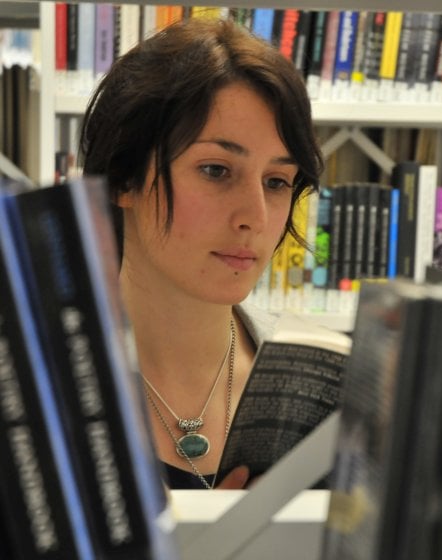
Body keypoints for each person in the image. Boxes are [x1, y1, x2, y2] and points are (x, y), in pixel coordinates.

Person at [79, 17, 324, 489]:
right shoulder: (29, 393)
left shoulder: (322, 400)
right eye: (216, 170)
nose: (254, 215)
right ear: (124, 178)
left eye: (277, 182)